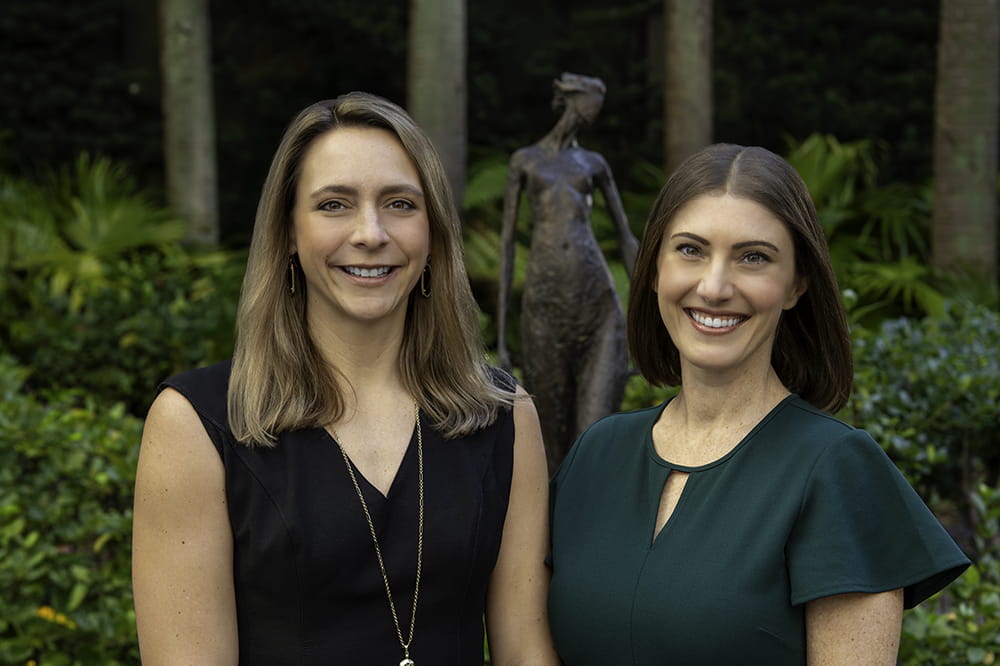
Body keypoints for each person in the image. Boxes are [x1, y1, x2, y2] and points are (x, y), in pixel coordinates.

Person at [132, 92, 559, 665]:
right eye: (334, 204)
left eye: (400, 204)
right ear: (288, 230)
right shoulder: (196, 423)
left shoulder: (504, 416)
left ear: (432, 230)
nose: (370, 233)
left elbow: (525, 652)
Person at [547, 143, 970, 664]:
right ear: (654, 268)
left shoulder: (836, 468)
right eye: (690, 250)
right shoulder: (596, 455)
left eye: (753, 257)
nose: (715, 286)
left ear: (796, 284)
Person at [497, 72, 639, 473]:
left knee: (595, 438)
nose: (596, 113)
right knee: (547, 442)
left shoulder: (593, 163)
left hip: (598, 304)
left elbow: (627, 238)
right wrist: (504, 340)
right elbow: (507, 245)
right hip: (544, 306)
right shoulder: (526, 161)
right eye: (594, 103)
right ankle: (548, 535)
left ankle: (598, 530)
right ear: (575, 101)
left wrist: (655, 312)